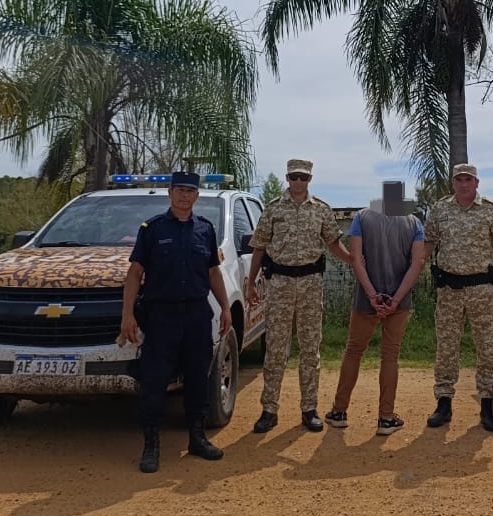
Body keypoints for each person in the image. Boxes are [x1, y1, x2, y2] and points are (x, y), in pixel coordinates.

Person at [121, 170, 232, 473]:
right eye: (179, 190)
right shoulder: (152, 229)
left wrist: (225, 307)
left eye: (190, 191)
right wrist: (127, 314)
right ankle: (151, 445)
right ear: (170, 193)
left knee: (198, 378)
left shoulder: (205, 229)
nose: (184, 196)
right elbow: (135, 273)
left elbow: (213, 272)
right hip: (161, 317)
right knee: (154, 381)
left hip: (196, 315)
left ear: (197, 195)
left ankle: (197, 438)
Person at [245, 158, 352, 433]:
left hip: (310, 285)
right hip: (279, 284)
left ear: (310, 179)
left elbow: (334, 244)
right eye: (294, 177)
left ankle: (309, 409)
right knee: (275, 348)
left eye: (303, 177)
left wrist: (354, 260)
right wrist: (251, 283)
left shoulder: (321, 210)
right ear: (287, 178)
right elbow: (259, 247)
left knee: (310, 349)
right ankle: (269, 409)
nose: (298, 182)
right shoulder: (273, 209)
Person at [423, 162, 493, 431]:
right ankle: (444, 402)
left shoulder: (490, 210)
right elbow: (427, 244)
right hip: (449, 291)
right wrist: (413, 267)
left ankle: (487, 403)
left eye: (468, 180)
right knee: (446, 348)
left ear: (476, 183)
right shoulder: (440, 210)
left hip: (481, 290)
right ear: (453, 183)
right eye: (459, 180)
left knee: (486, 348)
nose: (463, 184)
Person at [324, 193, 427, 436]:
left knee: (354, 351)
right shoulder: (414, 222)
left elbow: (356, 259)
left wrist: (372, 295)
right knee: (390, 355)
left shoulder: (362, 217)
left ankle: (339, 412)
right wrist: (396, 299)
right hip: (399, 300)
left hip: (366, 299)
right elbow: (418, 263)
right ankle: (386, 418)